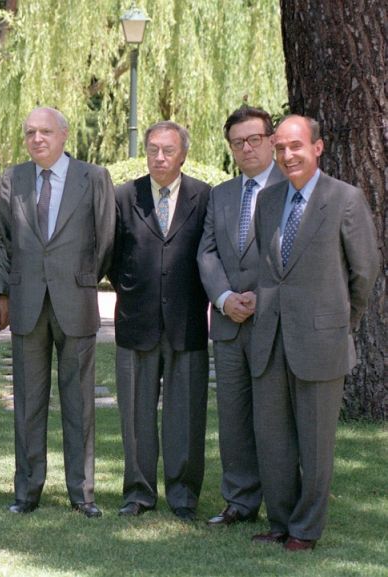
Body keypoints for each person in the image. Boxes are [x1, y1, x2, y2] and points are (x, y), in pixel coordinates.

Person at [250, 115, 377, 551]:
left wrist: (342, 323)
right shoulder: (267, 201)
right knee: (273, 441)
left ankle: (305, 529)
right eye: (280, 148)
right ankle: (281, 521)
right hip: (269, 339)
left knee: (316, 444)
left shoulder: (345, 199)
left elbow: (364, 273)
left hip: (322, 341)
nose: (287, 156)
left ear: (317, 148)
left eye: (296, 146)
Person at [0, 107, 115, 517]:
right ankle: (26, 492)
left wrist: (81, 277)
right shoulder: (14, 179)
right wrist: (9, 289)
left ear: (64, 134)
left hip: (75, 300)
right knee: (28, 404)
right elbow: (3, 238)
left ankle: (82, 494)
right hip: (28, 305)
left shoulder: (94, 178)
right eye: (30, 132)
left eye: (45, 131)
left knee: (79, 402)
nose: (37, 139)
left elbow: (106, 238)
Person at [109, 120, 211, 522]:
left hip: (187, 321)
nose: (159, 157)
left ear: (183, 154)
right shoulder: (124, 196)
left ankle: (183, 495)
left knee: (186, 416)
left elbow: (209, 253)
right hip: (136, 321)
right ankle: (138, 492)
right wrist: (134, 289)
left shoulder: (204, 196)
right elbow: (112, 258)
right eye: (152, 149)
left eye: (168, 150)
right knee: (136, 417)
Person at [197, 106, 284, 526]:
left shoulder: (294, 188)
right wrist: (225, 296)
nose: (246, 148)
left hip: (278, 325)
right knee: (233, 418)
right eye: (237, 142)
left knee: (277, 418)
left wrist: (261, 299)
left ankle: (286, 504)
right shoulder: (222, 194)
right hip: (230, 325)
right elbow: (207, 251)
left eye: (253, 139)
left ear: (271, 140)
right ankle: (240, 502)